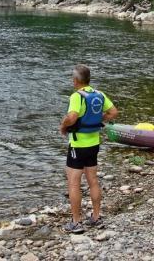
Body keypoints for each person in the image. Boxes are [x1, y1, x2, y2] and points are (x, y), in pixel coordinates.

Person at [59, 64, 118, 234]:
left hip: (78, 145)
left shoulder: (77, 96)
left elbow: (72, 117)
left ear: (76, 80)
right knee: (93, 180)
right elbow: (113, 112)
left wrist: (63, 126)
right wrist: (99, 119)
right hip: (94, 144)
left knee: (74, 183)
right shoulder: (99, 94)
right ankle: (96, 218)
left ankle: (76, 222)